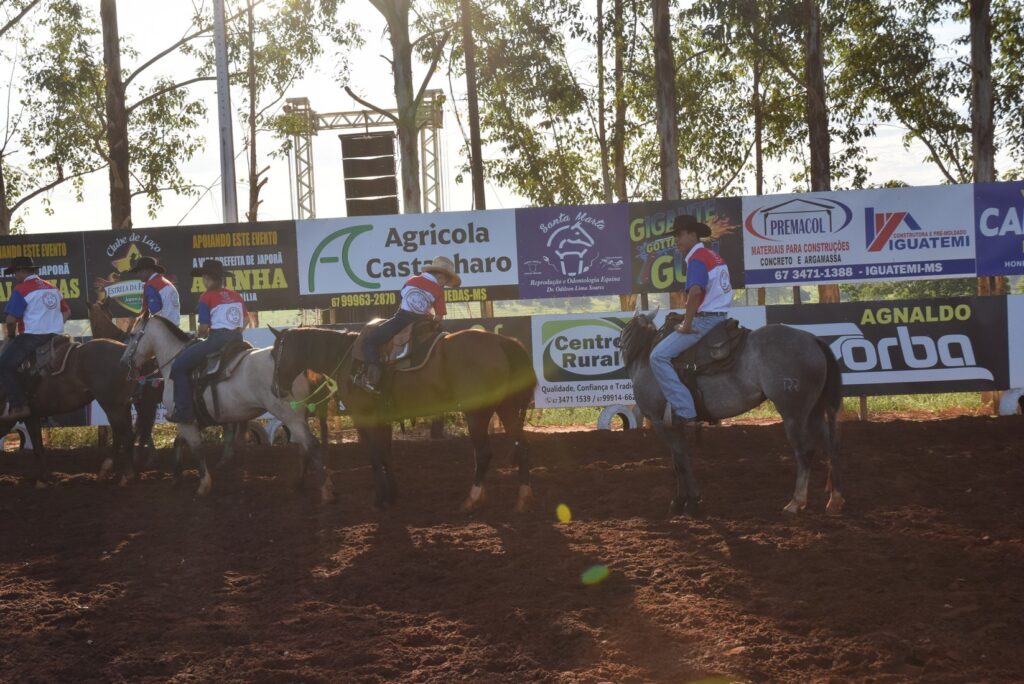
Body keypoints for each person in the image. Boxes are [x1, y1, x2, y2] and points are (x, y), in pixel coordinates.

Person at [649, 214, 733, 425]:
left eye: (679, 234)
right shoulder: (714, 256)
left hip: (705, 321)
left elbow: (695, 292)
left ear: (693, 234)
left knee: (657, 357)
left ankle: (686, 411)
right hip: (720, 317)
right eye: (675, 235)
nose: (676, 240)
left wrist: (686, 324)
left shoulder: (696, 259)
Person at [357, 256, 461, 394]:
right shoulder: (438, 291)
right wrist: (431, 319)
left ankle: (373, 378)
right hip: (423, 323)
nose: (444, 284)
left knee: (370, 340)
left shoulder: (412, 280)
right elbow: (439, 316)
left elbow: (401, 297)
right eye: (445, 282)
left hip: (401, 320)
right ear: (441, 277)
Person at [168, 259, 248, 424]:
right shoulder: (236, 295)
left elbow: (204, 327)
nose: (203, 281)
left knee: (178, 367)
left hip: (217, 340)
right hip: (238, 340)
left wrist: (197, 337)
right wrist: (236, 333)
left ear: (208, 278)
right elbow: (246, 320)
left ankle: (184, 413)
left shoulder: (206, 297)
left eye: (204, 277)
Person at [0, 256, 71, 419]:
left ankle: (19, 406)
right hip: (55, 336)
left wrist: (11, 336)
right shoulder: (52, 287)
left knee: (4, 365)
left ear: (22, 271)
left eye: (15, 273)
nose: (15, 277)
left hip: (32, 337)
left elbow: (10, 320)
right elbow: (67, 312)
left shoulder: (21, 289)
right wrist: (54, 325)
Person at [127, 256, 180, 327]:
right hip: (174, 329)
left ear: (149, 270)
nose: (137, 275)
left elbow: (155, 314)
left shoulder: (151, 286)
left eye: (140, 271)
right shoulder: (166, 282)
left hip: (163, 329)